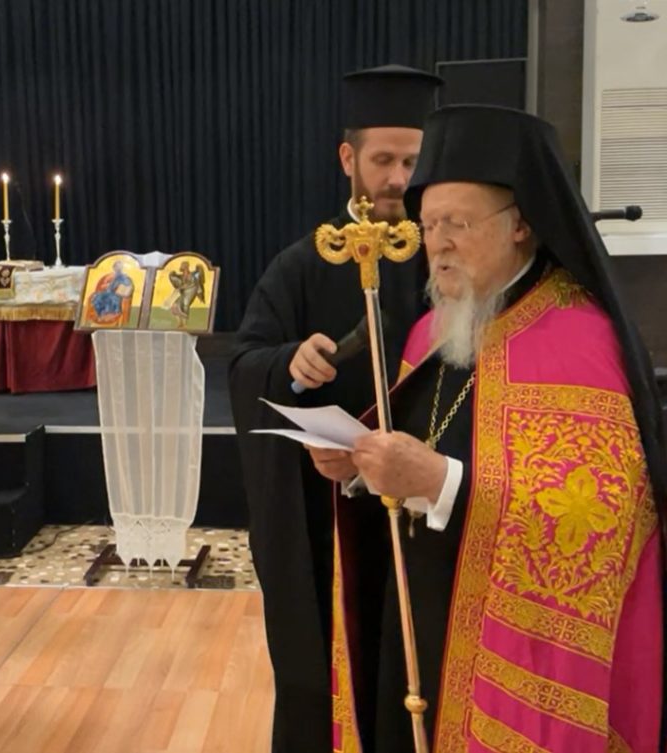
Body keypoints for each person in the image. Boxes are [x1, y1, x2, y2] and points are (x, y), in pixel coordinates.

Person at [310, 105, 666, 752]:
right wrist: (359, 468)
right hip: (418, 608)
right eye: (428, 225)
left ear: (522, 224)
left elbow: (600, 521)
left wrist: (442, 482)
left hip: (501, 637)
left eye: (458, 224)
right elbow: (414, 446)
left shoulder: (581, 340)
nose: (436, 243)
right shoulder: (434, 328)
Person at [228, 65, 442, 753]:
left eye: (412, 160)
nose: (397, 179)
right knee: (325, 667)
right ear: (348, 159)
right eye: (383, 160)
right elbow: (244, 360)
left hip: (426, 516)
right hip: (324, 519)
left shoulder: (448, 260)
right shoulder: (303, 264)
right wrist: (289, 362)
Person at [87, 259, 134, 325]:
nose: (117, 268)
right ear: (114, 268)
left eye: (118, 267)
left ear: (121, 268)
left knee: (110, 298)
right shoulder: (113, 276)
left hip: (116, 294)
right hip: (108, 292)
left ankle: (107, 314)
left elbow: (127, 285)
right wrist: (107, 285)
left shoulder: (123, 276)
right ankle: (101, 314)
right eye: (116, 267)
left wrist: (120, 288)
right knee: (97, 296)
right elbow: (110, 286)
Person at [167, 260, 205, 328]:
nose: (181, 267)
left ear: (186, 266)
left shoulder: (193, 275)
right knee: (175, 305)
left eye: (183, 265)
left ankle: (184, 324)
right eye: (182, 265)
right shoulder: (181, 276)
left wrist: (182, 287)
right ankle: (179, 323)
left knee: (185, 305)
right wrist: (171, 275)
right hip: (183, 293)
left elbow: (193, 284)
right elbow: (177, 281)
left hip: (190, 292)